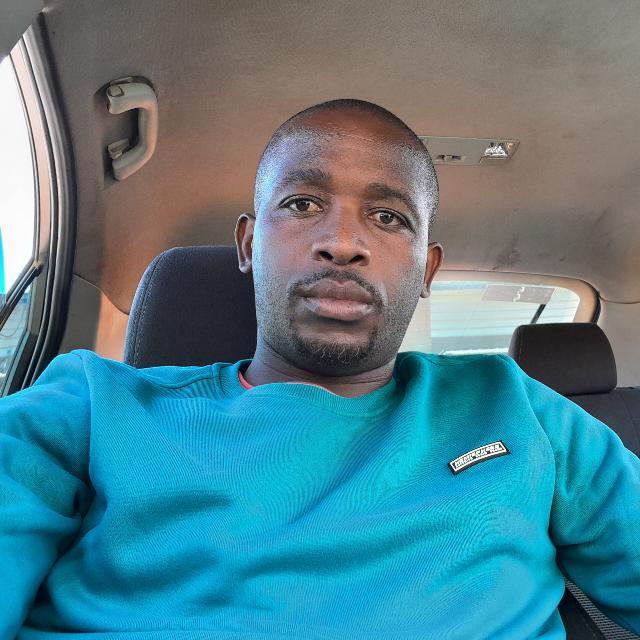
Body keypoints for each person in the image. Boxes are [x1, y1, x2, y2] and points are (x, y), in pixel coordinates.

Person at [1, 99, 639, 639]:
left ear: (427, 271)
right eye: (303, 203)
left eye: (388, 218)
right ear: (249, 244)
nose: (342, 242)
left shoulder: (517, 409)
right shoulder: (90, 405)